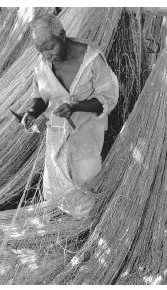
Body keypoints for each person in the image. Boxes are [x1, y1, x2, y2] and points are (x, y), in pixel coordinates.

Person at [22, 14, 119, 219]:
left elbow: (108, 98)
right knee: (57, 188)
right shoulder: (42, 65)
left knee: (87, 184)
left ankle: (88, 229)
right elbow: (39, 97)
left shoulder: (92, 60)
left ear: (63, 36)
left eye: (50, 47)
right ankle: (69, 229)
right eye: (41, 50)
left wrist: (76, 106)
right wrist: (31, 113)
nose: (46, 55)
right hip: (57, 137)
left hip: (86, 137)